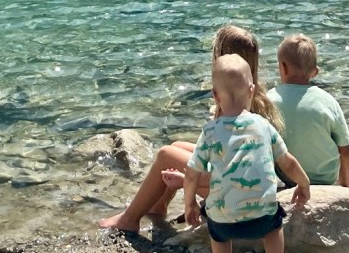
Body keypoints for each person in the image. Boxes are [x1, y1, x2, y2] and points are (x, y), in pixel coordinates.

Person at [98, 24, 268, 232]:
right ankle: (158, 206)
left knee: (166, 154)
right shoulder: (255, 99)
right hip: (243, 180)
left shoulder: (232, 108)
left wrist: (188, 183)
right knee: (177, 145)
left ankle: (129, 219)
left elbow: (226, 169)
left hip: (235, 188)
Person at [184, 53, 310, 253]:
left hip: (223, 219)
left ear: (214, 95)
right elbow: (288, 162)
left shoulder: (210, 131)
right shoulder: (263, 125)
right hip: (262, 215)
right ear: (252, 91)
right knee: (275, 228)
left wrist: (189, 203)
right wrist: (303, 183)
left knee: (217, 233)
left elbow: (192, 172)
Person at [269, 33, 349, 187]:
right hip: (325, 178)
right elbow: (344, 148)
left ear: (283, 67)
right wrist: (345, 182)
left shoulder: (270, 99)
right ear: (315, 72)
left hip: (288, 175)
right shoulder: (328, 101)